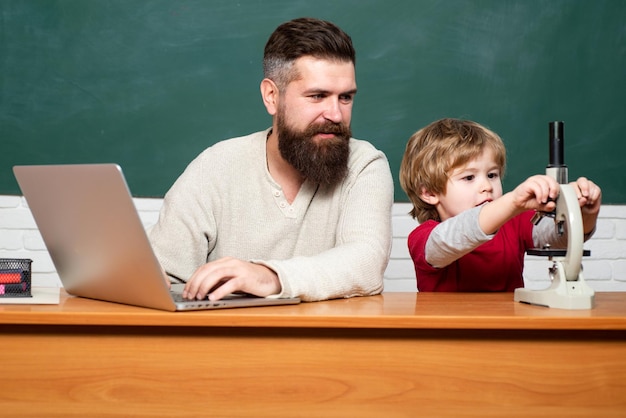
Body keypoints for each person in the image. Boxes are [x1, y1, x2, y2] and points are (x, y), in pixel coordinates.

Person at [148, 17, 393, 302]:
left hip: (326, 344)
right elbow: (163, 271)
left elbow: (366, 261)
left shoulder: (365, 165)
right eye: (317, 96)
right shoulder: (216, 166)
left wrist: (269, 276)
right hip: (228, 343)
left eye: (346, 97)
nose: (336, 114)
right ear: (271, 96)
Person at [399, 118, 601, 292]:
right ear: (429, 192)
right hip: (448, 335)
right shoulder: (423, 239)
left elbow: (561, 238)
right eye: (469, 177)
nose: (486, 186)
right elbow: (455, 236)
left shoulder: (515, 224)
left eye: (492, 175)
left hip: (508, 332)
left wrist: (585, 212)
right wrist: (512, 201)